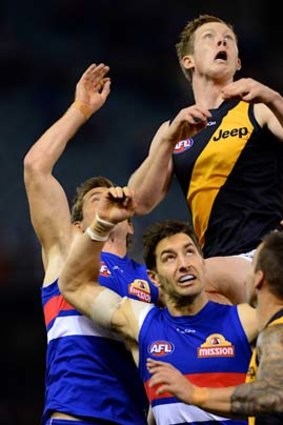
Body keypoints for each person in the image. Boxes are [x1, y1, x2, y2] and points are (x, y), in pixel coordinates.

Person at [23, 63, 159, 425]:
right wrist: (80, 109)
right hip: (75, 414)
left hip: (134, 417)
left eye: (112, 197)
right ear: (78, 224)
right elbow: (36, 166)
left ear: (129, 224)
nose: (107, 200)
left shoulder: (149, 277)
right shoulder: (65, 248)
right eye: (96, 198)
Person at [58, 186, 259, 425]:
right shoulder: (143, 322)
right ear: (153, 278)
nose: (184, 264)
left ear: (203, 264)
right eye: (169, 258)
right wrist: (102, 224)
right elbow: (72, 286)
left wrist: (194, 394)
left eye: (190, 252)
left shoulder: (246, 319)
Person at [128, 14, 283, 304]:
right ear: (189, 61)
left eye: (228, 39)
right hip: (218, 262)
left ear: (237, 62)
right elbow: (139, 201)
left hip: (268, 252)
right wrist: (166, 140)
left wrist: (273, 97)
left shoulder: (257, 109)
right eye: (209, 37)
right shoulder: (175, 129)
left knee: (176, 285)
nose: (221, 40)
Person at [146, 230, 283, 424]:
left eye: (250, 267)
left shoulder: (278, 331)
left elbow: (272, 394)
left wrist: (195, 394)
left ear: (259, 279)